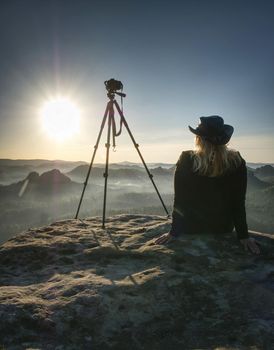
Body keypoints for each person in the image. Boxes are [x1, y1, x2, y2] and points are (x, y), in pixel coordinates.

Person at [154, 115, 260, 255]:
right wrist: (243, 236)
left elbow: (180, 200)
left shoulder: (187, 158)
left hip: (191, 227)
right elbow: (238, 202)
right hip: (222, 227)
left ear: (199, 139)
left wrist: (174, 233)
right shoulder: (236, 161)